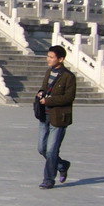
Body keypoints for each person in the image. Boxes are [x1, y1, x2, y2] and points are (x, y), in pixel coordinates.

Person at [35, 45, 76, 189]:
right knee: (42, 148)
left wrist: (49, 100)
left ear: (61, 59)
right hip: (44, 115)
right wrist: (41, 93)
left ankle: (48, 179)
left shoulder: (68, 77)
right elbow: (45, 88)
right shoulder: (49, 72)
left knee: (52, 150)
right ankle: (61, 165)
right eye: (48, 56)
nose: (48, 59)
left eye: (51, 57)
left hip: (59, 117)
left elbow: (69, 98)